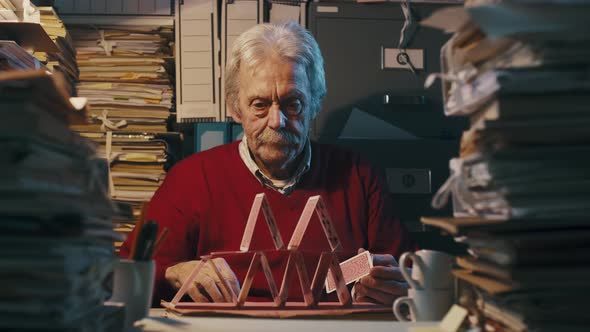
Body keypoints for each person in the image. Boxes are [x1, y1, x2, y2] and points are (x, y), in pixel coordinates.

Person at [120, 21, 415, 306]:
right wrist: (174, 272)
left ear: (315, 103)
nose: (277, 121)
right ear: (235, 108)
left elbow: (406, 274)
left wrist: (393, 284)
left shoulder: (358, 176)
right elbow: (125, 274)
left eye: (293, 104)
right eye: (260, 105)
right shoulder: (191, 179)